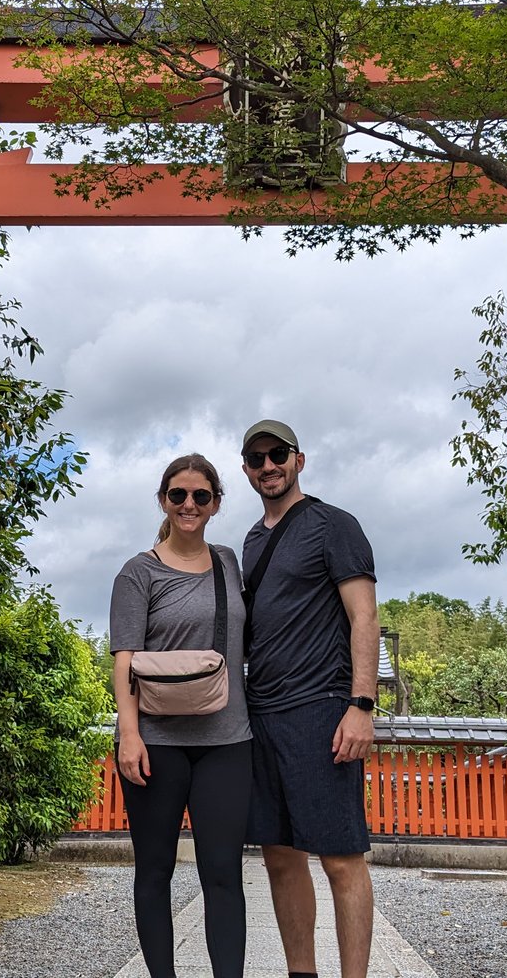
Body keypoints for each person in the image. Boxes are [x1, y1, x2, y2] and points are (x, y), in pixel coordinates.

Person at [239, 419, 380, 978]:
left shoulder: (333, 525)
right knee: (278, 855)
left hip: (322, 706)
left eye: (278, 455)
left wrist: (360, 705)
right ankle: (302, 972)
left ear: (300, 459)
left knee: (341, 858)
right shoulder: (251, 540)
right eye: (256, 459)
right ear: (246, 469)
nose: (268, 466)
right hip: (262, 712)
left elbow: (363, 616)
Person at [109, 453, 252, 978]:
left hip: (227, 739)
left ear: (216, 503)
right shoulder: (138, 572)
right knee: (154, 870)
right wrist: (129, 735)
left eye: (201, 496)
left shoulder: (228, 562)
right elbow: (124, 658)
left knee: (223, 873)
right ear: (163, 501)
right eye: (178, 495)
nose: (189, 504)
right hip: (156, 740)